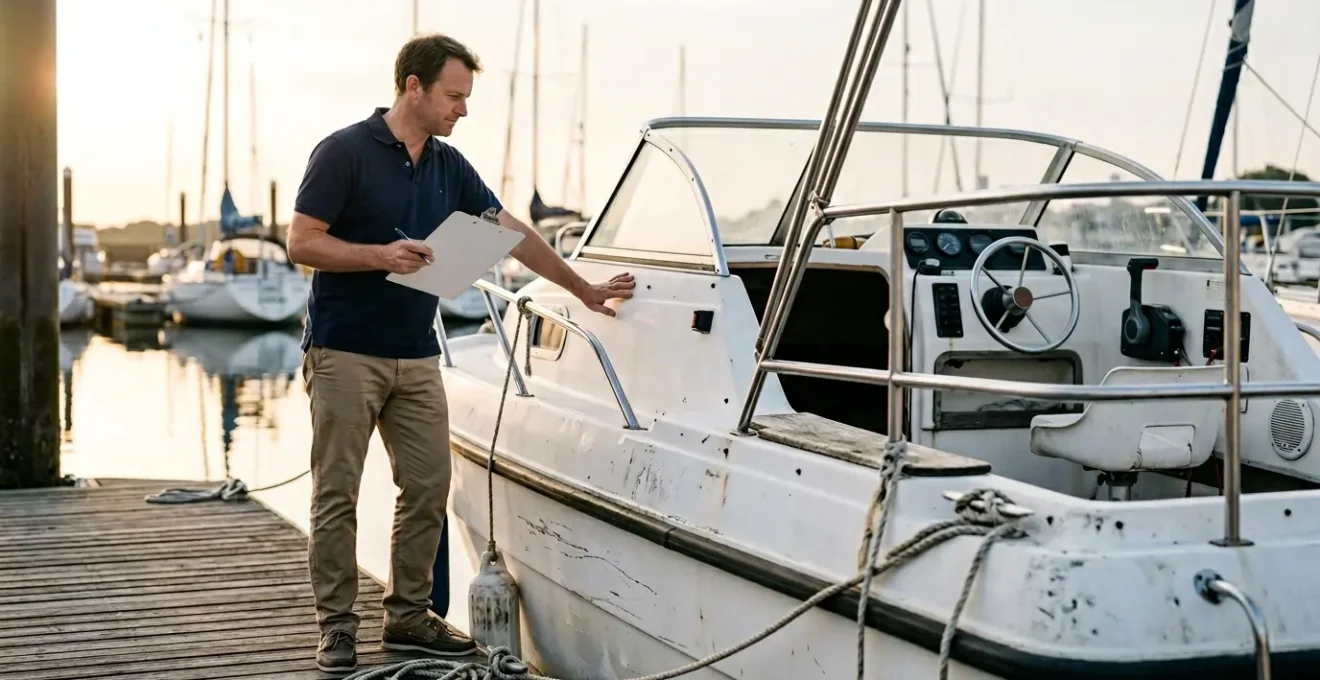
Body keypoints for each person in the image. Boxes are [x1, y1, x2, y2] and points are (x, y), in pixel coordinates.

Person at [286, 33, 635, 674]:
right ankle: (337, 627)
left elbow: (514, 234)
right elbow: (302, 244)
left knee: (428, 486)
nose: (463, 110)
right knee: (336, 493)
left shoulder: (450, 165)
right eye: (454, 96)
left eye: (466, 97)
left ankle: (409, 617)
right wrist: (378, 256)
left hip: (417, 355)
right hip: (344, 351)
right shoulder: (343, 152)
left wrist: (581, 288)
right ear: (412, 87)